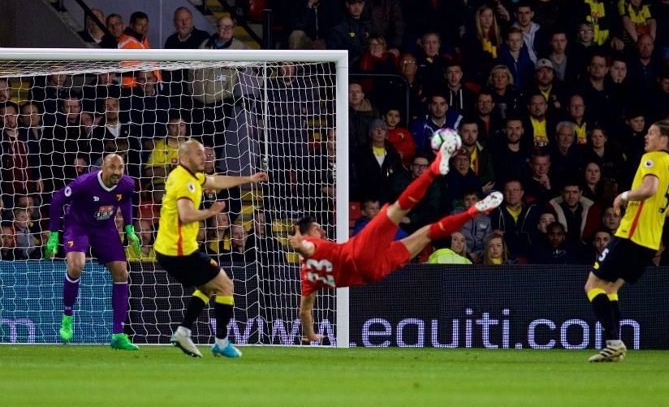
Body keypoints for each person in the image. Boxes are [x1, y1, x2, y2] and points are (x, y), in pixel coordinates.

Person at [289, 138, 503, 342]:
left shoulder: (308, 278)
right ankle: (434, 172)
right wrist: (298, 241)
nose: (323, 230)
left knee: (426, 232)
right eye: (318, 228)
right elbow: (307, 247)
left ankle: (472, 211)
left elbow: (305, 311)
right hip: (361, 253)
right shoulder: (313, 245)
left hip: (373, 272)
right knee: (400, 208)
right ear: (312, 231)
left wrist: (311, 335)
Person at [154, 140, 267, 358]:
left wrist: (249, 179)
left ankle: (183, 331)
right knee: (225, 285)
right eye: (198, 154)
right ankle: (221, 343)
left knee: (207, 287)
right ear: (185, 157)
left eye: (204, 153)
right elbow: (186, 215)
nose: (204, 157)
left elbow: (216, 181)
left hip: (176, 249)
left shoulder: (192, 176)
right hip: (179, 252)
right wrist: (211, 212)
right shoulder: (183, 181)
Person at [584, 120, 669, 362]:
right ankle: (614, 347)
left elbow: (649, 188)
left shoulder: (652, 159)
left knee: (592, 285)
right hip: (650, 243)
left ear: (664, 140)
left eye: (651, 133)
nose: (646, 137)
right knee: (610, 288)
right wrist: (656, 214)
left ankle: (614, 342)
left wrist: (624, 195)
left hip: (630, 235)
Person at [44, 154, 141, 350]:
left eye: (120, 167)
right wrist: (53, 235)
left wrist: (130, 229)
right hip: (78, 226)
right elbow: (57, 200)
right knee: (76, 265)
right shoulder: (84, 183)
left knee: (122, 271)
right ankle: (67, 317)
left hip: (105, 228)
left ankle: (118, 335)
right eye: (113, 167)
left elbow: (126, 202)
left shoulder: (127, 184)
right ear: (103, 168)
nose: (117, 172)